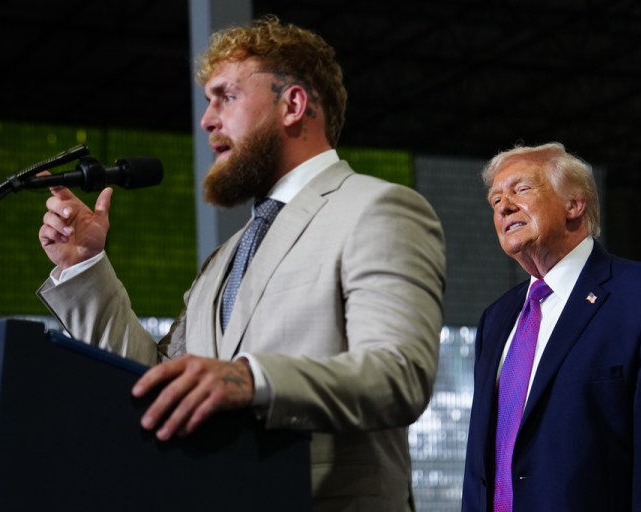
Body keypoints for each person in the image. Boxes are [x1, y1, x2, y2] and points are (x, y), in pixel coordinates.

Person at [37, 16, 446, 512]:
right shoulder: (224, 258)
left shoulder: (376, 208)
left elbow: (398, 374)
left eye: (226, 96)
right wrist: (86, 267)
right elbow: (156, 382)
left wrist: (253, 380)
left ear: (293, 105)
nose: (208, 119)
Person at [461, 142, 641, 511]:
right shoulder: (497, 319)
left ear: (574, 204)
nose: (504, 205)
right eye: (495, 199)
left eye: (521, 189)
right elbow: (481, 468)